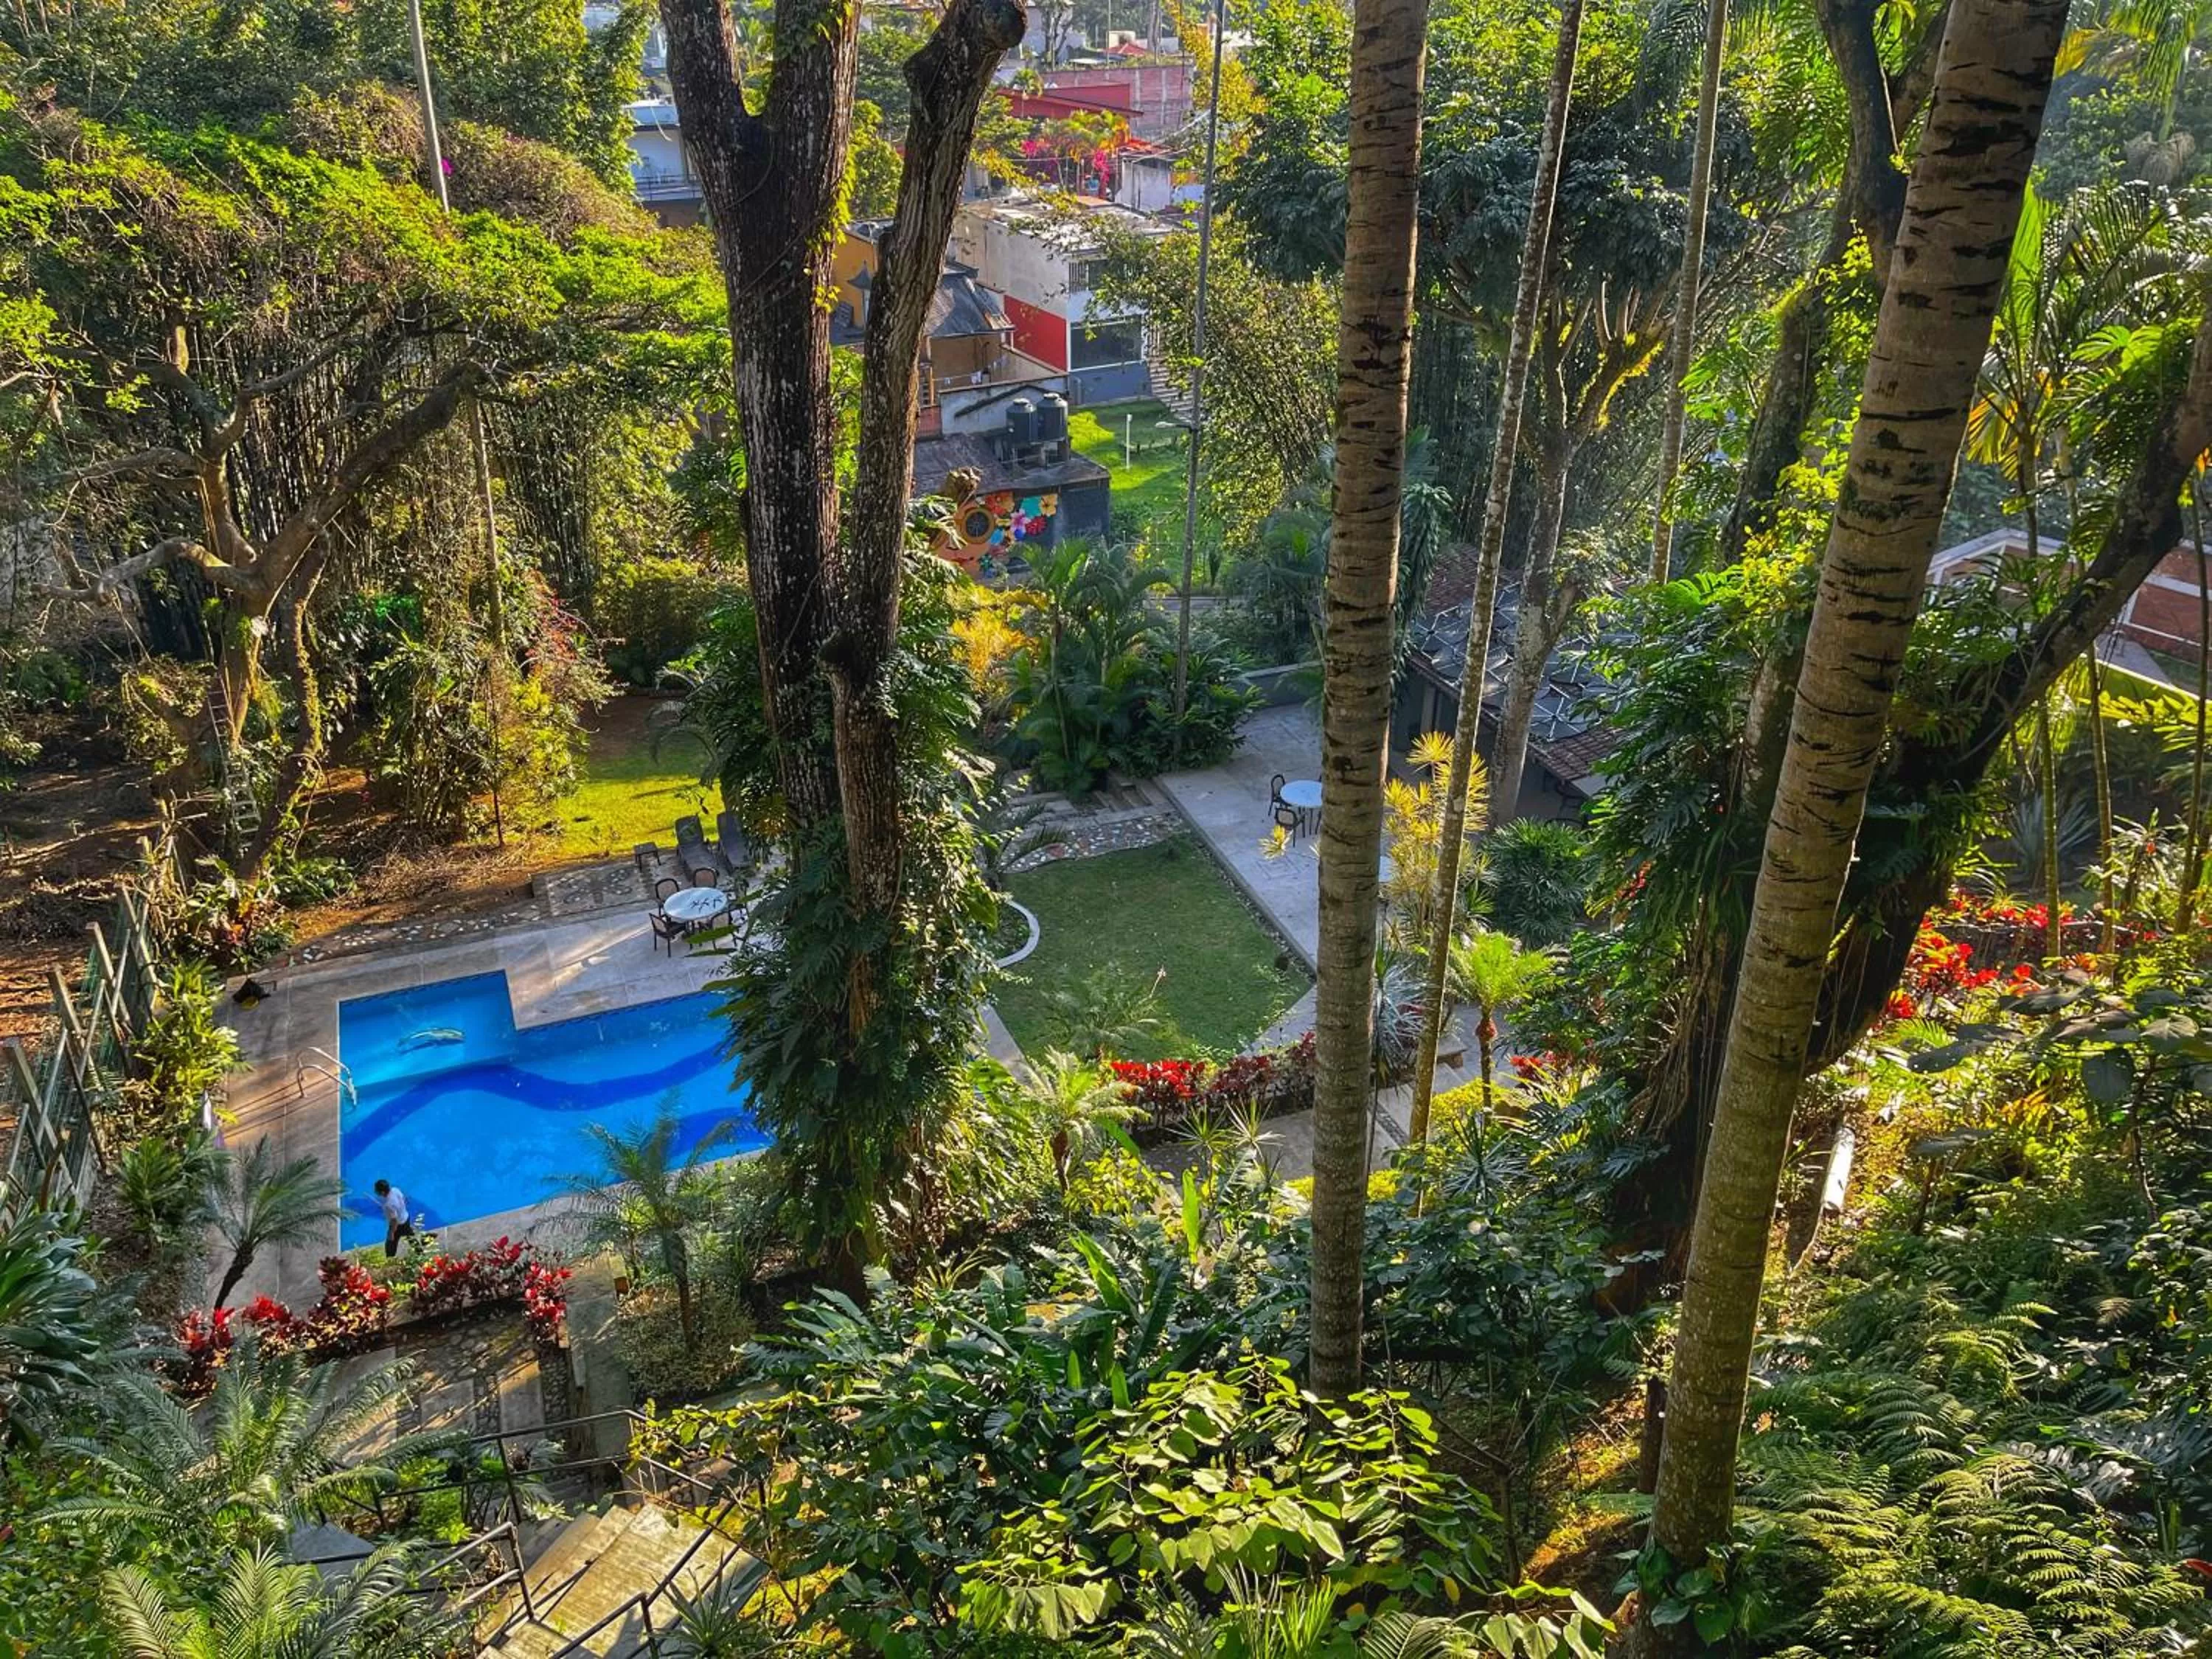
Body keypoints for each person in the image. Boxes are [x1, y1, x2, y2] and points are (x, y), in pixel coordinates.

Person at [373, 1178, 415, 1259]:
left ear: (382, 1192)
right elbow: (404, 1199)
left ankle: (390, 1259)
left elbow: (394, 1220)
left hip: (399, 1225)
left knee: (390, 1244)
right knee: (411, 1237)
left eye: (377, 1190)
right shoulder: (395, 1190)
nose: (376, 1191)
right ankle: (420, 1252)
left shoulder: (388, 1205)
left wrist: (391, 1232)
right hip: (406, 1217)